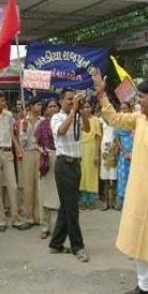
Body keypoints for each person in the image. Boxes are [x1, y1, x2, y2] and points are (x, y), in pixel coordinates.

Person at [94, 73, 148, 294]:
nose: (138, 101)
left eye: (141, 97)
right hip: (136, 194)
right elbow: (114, 118)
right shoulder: (139, 119)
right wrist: (101, 94)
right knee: (137, 242)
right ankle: (144, 288)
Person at [49, 89, 90, 262]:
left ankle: (56, 243)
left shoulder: (77, 115)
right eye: (69, 99)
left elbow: (87, 129)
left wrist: (83, 112)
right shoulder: (56, 117)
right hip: (64, 164)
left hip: (76, 165)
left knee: (66, 206)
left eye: (74, 99)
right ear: (61, 101)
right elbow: (62, 131)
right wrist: (73, 111)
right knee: (72, 208)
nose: (71, 102)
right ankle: (78, 247)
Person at [0, 89, 30, 232]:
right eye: (2, 100)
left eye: (4, 100)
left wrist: (18, 149)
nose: (4, 103)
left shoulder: (9, 115)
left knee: (13, 186)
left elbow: (12, 134)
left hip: (8, 152)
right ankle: (1, 220)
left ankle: (15, 219)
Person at [33, 98, 60, 239]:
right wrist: (41, 150)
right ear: (46, 109)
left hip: (60, 158)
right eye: (51, 106)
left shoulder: (62, 122)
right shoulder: (41, 124)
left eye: (56, 106)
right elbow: (34, 142)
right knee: (44, 193)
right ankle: (45, 226)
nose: (54, 108)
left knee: (57, 193)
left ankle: (57, 227)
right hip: (46, 159)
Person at [19, 97, 43, 226]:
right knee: (28, 185)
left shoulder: (43, 121)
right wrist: (23, 130)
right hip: (28, 153)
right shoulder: (24, 122)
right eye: (38, 104)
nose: (40, 107)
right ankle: (29, 217)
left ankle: (39, 216)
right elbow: (22, 142)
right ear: (31, 106)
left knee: (39, 185)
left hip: (39, 153)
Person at [79, 99, 101, 210]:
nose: (87, 109)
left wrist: (97, 154)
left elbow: (97, 138)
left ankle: (91, 200)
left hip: (92, 148)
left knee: (91, 174)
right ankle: (83, 199)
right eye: (84, 107)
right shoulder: (78, 120)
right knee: (83, 174)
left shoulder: (95, 120)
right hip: (81, 149)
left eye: (88, 107)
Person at [114, 102, 134, 211]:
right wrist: (125, 152)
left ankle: (131, 203)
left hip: (136, 155)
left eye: (125, 108)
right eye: (121, 109)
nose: (123, 111)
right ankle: (121, 201)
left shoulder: (134, 122)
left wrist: (133, 152)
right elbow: (117, 139)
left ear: (130, 109)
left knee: (133, 178)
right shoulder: (118, 123)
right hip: (123, 155)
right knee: (122, 177)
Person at [99, 115, 118, 211]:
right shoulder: (101, 119)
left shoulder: (116, 118)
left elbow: (117, 134)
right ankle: (105, 202)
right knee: (105, 177)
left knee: (114, 176)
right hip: (104, 149)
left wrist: (115, 146)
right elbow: (100, 135)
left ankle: (114, 201)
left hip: (114, 148)